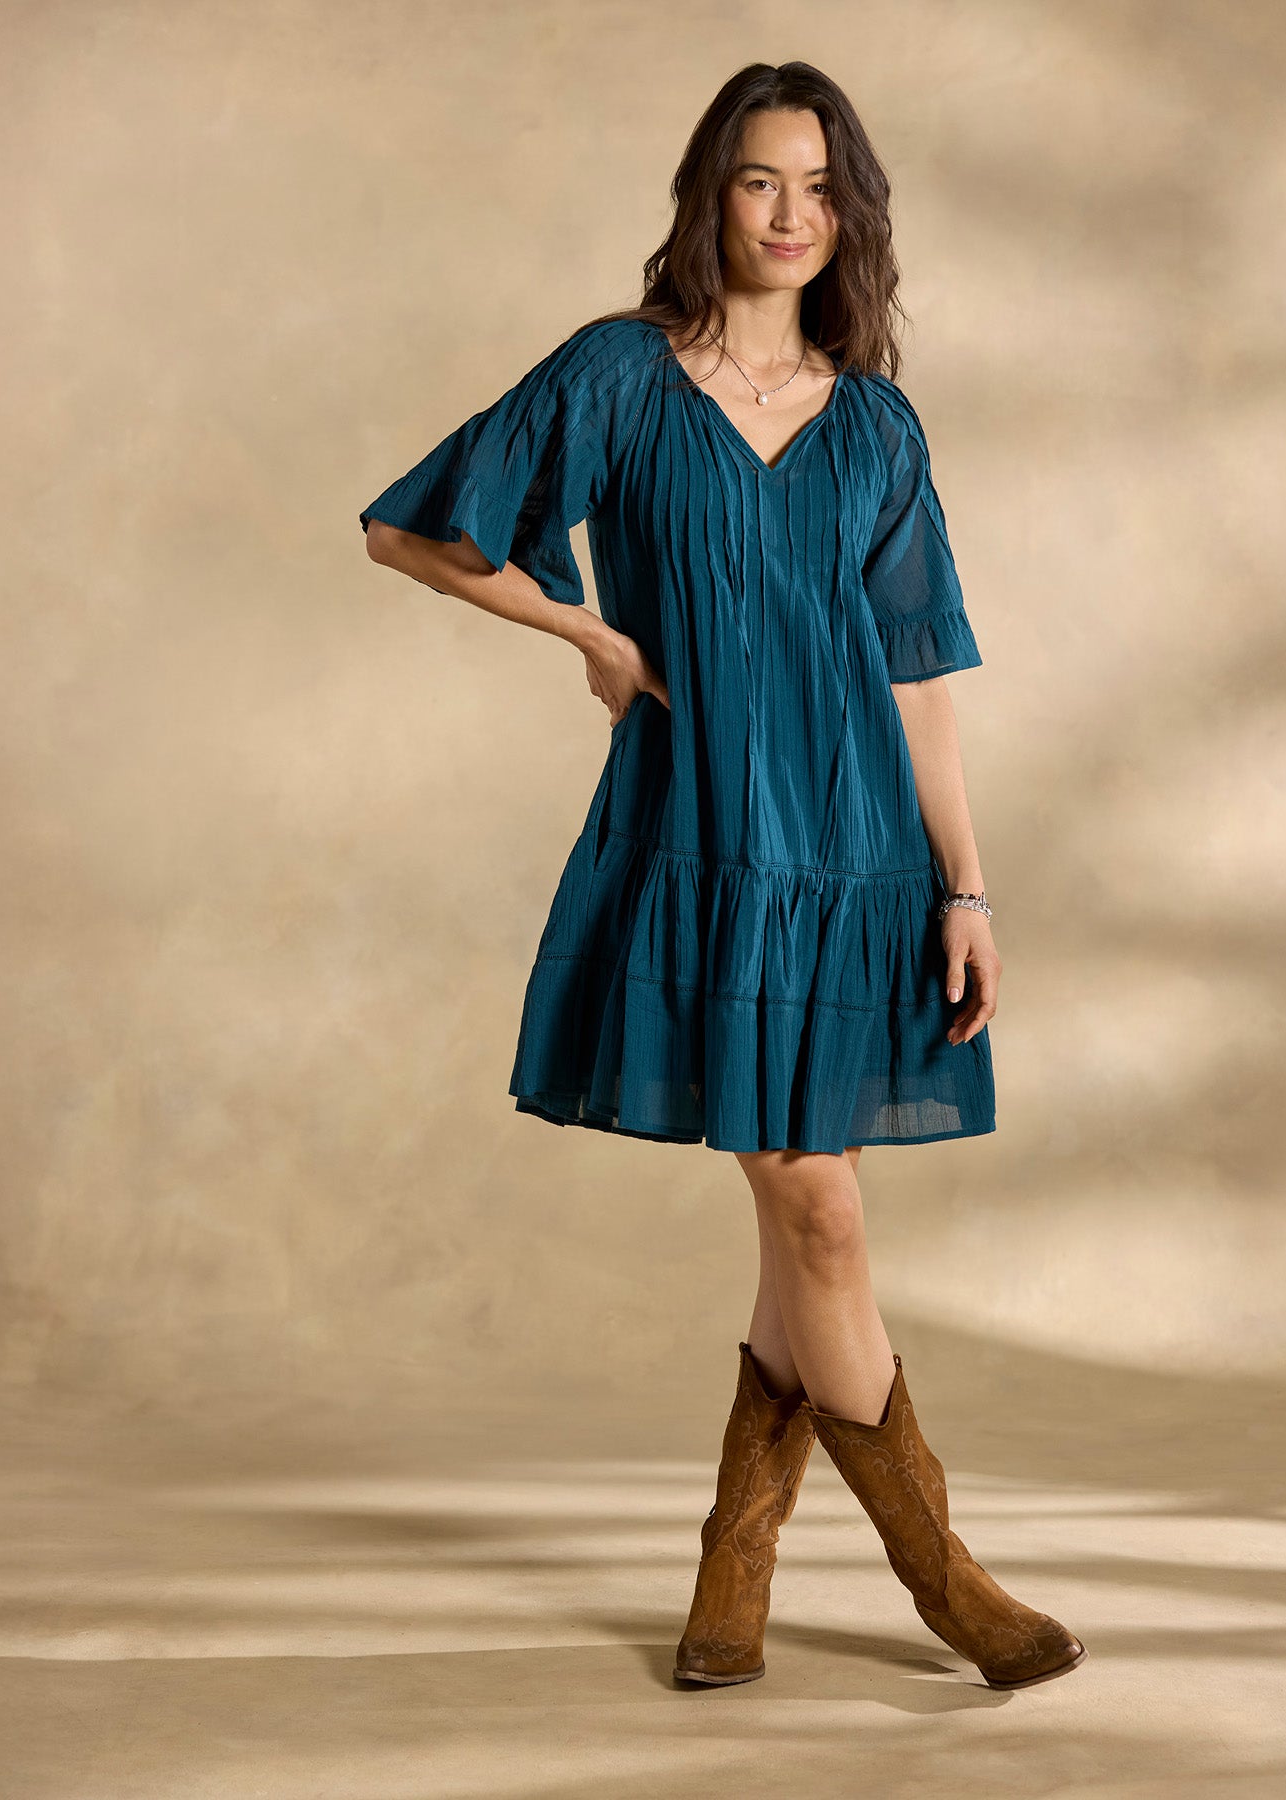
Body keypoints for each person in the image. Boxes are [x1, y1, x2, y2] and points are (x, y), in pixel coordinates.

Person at [359, 61, 1085, 1693]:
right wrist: (591, 633)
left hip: (858, 858)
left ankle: (732, 1571)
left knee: (798, 1228)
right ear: (713, 193)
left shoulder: (877, 425)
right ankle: (948, 1580)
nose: (790, 214)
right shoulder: (622, 376)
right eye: (762, 179)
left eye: (821, 188)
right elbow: (416, 533)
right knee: (816, 1210)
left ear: (853, 215)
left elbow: (919, 679)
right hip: (702, 843)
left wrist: (968, 892)